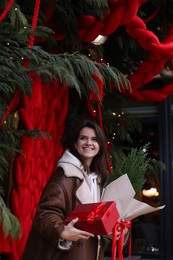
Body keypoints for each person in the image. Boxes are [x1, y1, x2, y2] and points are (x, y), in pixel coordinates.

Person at [22, 119, 122, 260]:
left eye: (94, 139)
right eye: (83, 138)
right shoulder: (65, 175)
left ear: (100, 146)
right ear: (75, 144)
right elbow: (45, 213)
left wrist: (113, 228)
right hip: (68, 254)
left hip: (90, 253)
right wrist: (62, 232)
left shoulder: (100, 179)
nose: (88, 143)